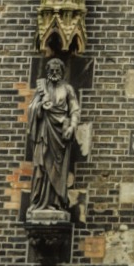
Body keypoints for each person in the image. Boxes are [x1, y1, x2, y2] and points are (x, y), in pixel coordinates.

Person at [28, 56, 80, 213]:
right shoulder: (42, 89)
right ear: (48, 71)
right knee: (41, 166)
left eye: (58, 70)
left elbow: (75, 110)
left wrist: (72, 126)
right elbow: (32, 107)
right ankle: (38, 202)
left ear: (62, 72)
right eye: (52, 70)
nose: (55, 72)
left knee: (58, 168)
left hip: (60, 136)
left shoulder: (68, 89)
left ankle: (56, 202)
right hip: (44, 132)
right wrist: (40, 107)